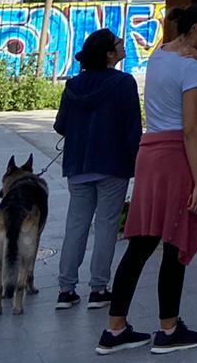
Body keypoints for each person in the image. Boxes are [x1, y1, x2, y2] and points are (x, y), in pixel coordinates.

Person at [98, 3, 197, 355]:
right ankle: (168, 329)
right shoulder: (191, 66)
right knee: (175, 243)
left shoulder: (159, 55)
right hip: (173, 158)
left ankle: (115, 328)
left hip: (149, 151)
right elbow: (191, 128)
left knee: (140, 244)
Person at [54, 29, 142, 311]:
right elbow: (132, 129)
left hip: (78, 164)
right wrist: (136, 161)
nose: (122, 44)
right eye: (118, 42)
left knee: (76, 225)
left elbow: (61, 125)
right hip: (112, 164)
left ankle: (66, 289)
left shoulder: (73, 85)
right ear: (109, 53)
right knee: (105, 226)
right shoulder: (124, 83)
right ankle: (98, 288)